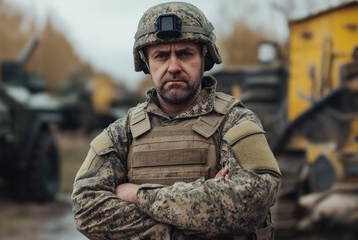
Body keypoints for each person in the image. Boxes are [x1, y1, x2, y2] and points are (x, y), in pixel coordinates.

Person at [72, 2, 281, 239]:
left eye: (184, 54)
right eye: (161, 56)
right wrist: (190, 223)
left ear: (204, 57)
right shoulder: (122, 133)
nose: (173, 67)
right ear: (147, 63)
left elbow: (254, 198)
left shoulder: (235, 121)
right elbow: (85, 209)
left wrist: (138, 195)